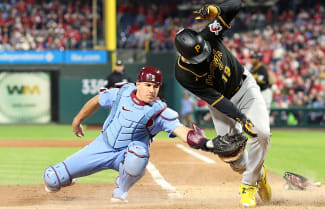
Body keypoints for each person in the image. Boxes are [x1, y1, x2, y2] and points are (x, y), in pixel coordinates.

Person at [43, 66, 208, 203]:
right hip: (102, 146)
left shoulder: (160, 112)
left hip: (126, 155)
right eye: (147, 85)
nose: (152, 90)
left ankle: (121, 191)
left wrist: (200, 140)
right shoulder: (121, 93)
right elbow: (97, 101)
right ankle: (70, 177)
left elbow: (180, 129)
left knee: (139, 152)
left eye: (155, 86)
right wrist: (77, 120)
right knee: (51, 178)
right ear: (138, 84)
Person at [173, 0, 271, 207]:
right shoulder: (183, 75)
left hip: (245, 88)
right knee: (231, 155)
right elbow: (216, 100)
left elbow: (236, 4)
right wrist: (241, 119)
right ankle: (257, 173)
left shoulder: (209, 35)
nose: (204, 56)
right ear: (184, 55)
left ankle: (248, 185)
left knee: (261, 133)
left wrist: (216, 10)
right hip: (222, 103)